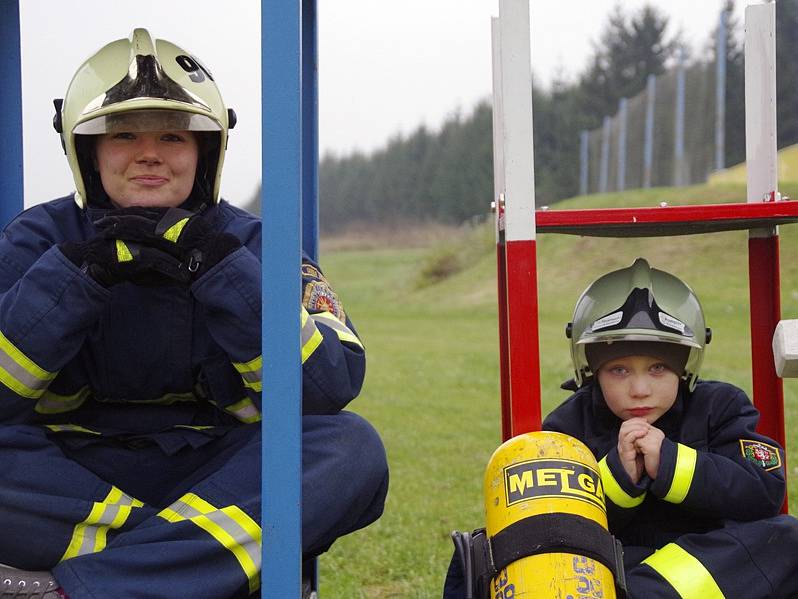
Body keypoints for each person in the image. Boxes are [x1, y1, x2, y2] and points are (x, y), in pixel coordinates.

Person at [0, 29, 388, 599]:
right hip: (70, 472)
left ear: (205, 151)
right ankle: (207, 564)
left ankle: (72, 590)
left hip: (217, 467)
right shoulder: (36, 240)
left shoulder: (255, 245)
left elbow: (330, 385)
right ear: (86, 151)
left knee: (352, 450)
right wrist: (77, 277)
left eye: (173, 136)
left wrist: (223, 274)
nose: (149, 152)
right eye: (123, 133)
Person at [444, 257, 798, 598]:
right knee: (487, 553)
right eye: (619, 370)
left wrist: (671, 464)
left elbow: (764, 493)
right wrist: (618, 477)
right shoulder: (566, 429)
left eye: (658, 368)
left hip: (711, 564)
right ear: (592, 370)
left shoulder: (721, 406)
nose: (640, 389)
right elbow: (553, 529)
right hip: (610, 571)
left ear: (686, 365)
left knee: (786, 537)